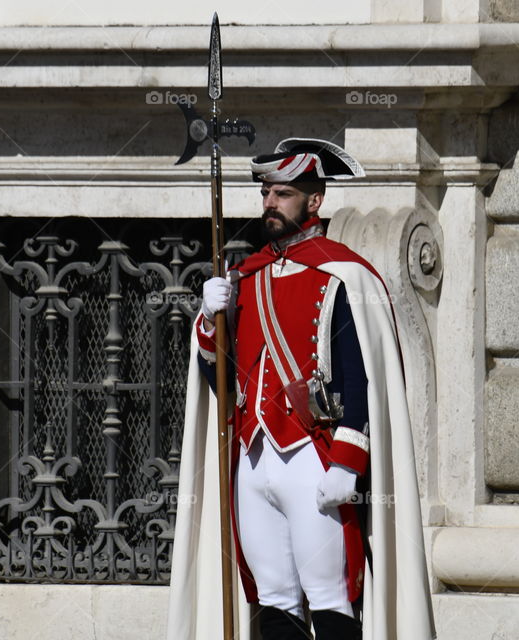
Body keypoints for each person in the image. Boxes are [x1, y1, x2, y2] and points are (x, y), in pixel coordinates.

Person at [166, 138, 435, 640]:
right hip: (252, 458)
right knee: (274, 603)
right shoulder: (244, 277)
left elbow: (360, 375)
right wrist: (207, 321)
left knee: (331, 599)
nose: (269, 203)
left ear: (314, 201)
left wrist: (348, 462)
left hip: (315, 459)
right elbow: (221, 387)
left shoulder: (345, 274)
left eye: (283, 193)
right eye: (267, 193)